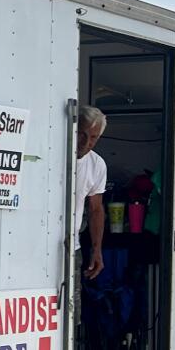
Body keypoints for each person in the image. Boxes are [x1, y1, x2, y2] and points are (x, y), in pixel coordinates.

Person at [75, 104, 107, 279]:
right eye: (82, 134)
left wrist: (97, 250)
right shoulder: (52, 154)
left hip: (73, 247)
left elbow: (96, 209)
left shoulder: (97, 165)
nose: (86, 143)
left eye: (93, 137)